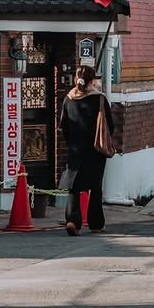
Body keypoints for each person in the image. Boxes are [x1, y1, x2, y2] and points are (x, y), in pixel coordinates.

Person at [59, 67, 115, 236]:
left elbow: (63, 127)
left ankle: (72, 221)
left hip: (75, 150)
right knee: (95, 188)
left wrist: (72, 143)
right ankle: (96, 223)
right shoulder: (99, 99)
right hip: (95, 151)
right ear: (92, 81)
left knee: (73, 188)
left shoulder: (68, 99)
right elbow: (109, 126)